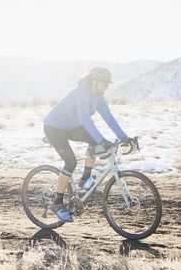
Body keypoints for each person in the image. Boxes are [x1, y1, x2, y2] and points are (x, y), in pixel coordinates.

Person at [42, 66, 130, 222]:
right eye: (104, 83)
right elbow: (84, 119)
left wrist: (124, 137)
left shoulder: (98, 96)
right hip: (54, 127)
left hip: (70, 126)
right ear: (94, 81)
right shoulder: (82, 92)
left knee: (94, 141)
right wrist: (102, 140)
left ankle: (85, 179)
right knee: (71, 162)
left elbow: (108, 117)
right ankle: (57, 203)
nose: (106, 86)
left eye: (108, 84)